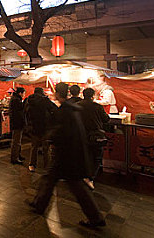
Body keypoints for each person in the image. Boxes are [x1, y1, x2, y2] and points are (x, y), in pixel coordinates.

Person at [29, 83, 105, 229]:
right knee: (52, 179)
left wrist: (51, 137)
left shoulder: (65, 110)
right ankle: (39, 204)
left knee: (74, 186)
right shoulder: (72, 108)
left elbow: (63, 132)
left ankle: (95, 217)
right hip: (71, 154)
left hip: (67, 155)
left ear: (57, 93)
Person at [77, 88, 110, 190]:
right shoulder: (97, 106)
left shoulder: (77, 105)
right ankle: (90, 178)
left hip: (80, 135)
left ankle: (81, 175)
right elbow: (106, 119)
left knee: (82, 156)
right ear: (93, 96)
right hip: (95, 135)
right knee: (96, 157)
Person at [24, 87, 57, 172]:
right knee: (46, 148)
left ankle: (32, 165)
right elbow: (55, 109)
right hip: (44, 126)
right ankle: (47, 166)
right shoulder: (45, 100)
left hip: (33, 126)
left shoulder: (28, 100)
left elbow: (24, 112)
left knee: (34, 147)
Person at [9, 87, 26, 164]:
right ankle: (14, 158)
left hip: (16, 123)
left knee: (18, 140)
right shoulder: (16, 100)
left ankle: (18, 155)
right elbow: (19, 113)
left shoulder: (16, 99)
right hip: (17, 123)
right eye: (24, 93)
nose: (24, 95)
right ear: (20, 93)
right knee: (16, 141)